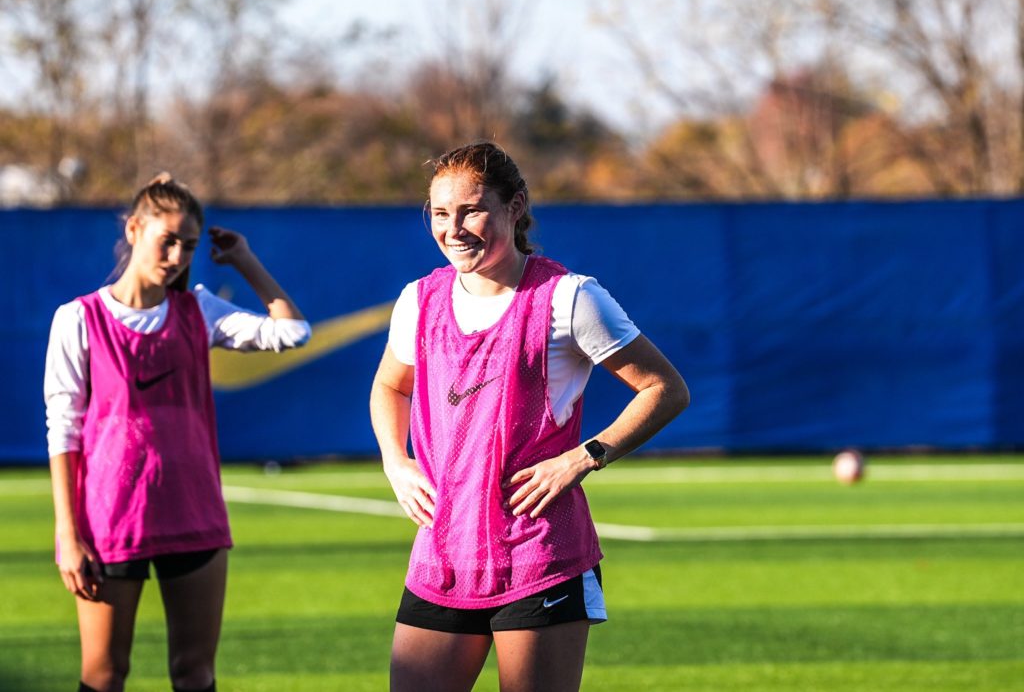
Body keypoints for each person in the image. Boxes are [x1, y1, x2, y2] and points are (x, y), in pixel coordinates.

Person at [369, 141, 690, 692]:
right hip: (443, 551)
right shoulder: (418, 301)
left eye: (472, 209)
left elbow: (665, 389)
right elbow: (389, 386)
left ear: (515, 207)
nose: (455, 228)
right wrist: (396, 461)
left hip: (540, 555)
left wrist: (584, 457)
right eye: (440, 214)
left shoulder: (569, 298)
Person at [44, 173, 311, 692]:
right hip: (108, 525)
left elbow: (291, 331)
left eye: (188, 246)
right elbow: (63, 430)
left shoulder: (198, 309)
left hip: (195, 516)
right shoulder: (78, 319)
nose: (177, 256)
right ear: (133, 229)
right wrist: (68, 535)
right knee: (103, 675)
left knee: (194, 674)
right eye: (166, 240)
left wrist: (245, 261)